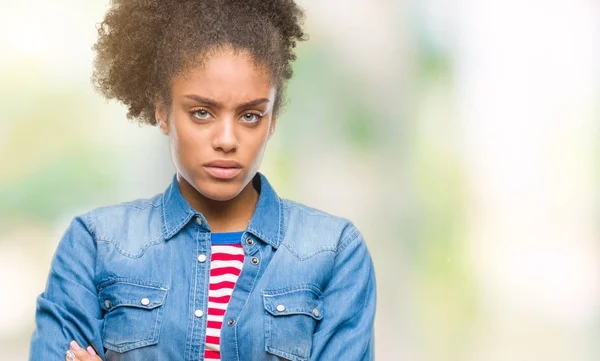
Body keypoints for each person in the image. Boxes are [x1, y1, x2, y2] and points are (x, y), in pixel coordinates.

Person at [29, 1, 377, 360]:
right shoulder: (95, 245)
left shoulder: (334, 252)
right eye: (201, 112)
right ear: (162, 112)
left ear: (272, 120)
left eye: (250, 115)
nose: (227, 139)